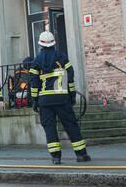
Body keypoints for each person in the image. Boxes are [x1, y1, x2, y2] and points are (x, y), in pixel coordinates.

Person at [29, 31, 89, 164]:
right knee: (71, 126)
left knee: (50, 128)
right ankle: (81, 155)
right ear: (53, 43)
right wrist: (72, 95)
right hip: (62, 99)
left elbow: (34, 83)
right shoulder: (62, 58)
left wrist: (34, 100)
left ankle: (56, 157)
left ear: (41, 45)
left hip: (44, 101)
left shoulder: (36, 61)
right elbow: (70, 78)